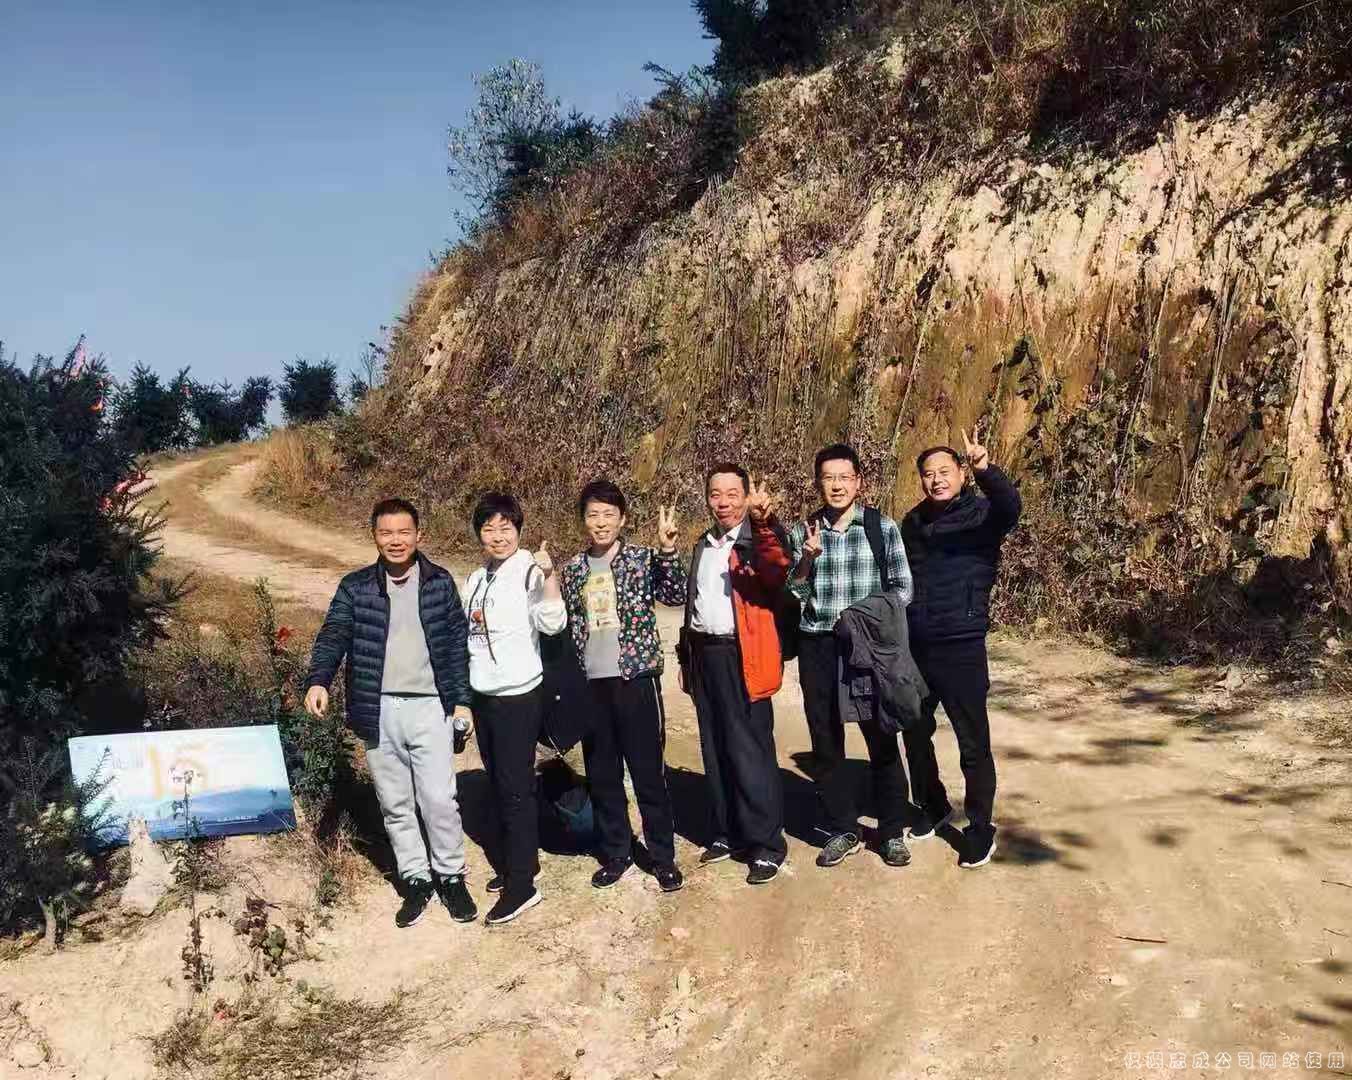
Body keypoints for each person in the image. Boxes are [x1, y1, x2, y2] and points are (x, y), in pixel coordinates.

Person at [304, 498, 476, 928]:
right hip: (377, 708)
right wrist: (319, 680)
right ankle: (415, 878)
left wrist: (462, 701)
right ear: (374, 537)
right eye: (386, 532)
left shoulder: (439, 583)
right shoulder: (356, 587)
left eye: (404, 532)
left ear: (419, 535)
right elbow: (334, 633)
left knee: (439, 799)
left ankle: (451, 876)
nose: (395, 540)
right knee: (395, 802)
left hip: (430, 707)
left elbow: (457, 644)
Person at [786, 443, 915, 870]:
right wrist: (807, 559)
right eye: (829, 478)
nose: (837, 485)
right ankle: (844, 827)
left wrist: (865, 619)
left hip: (866, 646)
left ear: (859, 481)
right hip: (818, 644)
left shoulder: (882, 527)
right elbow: (794, 594)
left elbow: (903, 588)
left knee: (881, 736)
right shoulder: (803, 531)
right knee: (825, 740)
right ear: (818, 483)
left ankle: (892, 831)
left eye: (844, 477)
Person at [900, 429, 1021, 869]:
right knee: (914, 730)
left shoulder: (983, 513)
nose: (936, 480)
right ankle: (933, 805)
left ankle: (980, 827)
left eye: (944, 471)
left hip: (962, 644)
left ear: (961, 474)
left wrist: (986, 469)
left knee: (972, 741)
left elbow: (1011, 507)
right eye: (928, 474)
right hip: (918, 644)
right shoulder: (912, 522)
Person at [559, 480, 688, 892]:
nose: (601, 523)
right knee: (603, 775)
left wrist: (667, 549)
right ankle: (616, 853)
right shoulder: (573, 570)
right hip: (591, 686)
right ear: (583, 521)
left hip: (635, 680)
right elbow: (564, 626)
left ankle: (662, 857)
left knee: (648, 774)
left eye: (609, 515)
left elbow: (676, 595)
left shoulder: (641, 559)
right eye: (593, 515)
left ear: (623, 519)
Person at [677, 464, 790, 885]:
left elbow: (776, 567)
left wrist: (763, 523)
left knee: (751, 750)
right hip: (704, 655)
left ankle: (767, 844)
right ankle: (730, 832)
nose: (723, 502)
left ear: (745, 496)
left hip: (743, 656)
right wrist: (687, 660)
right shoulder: (703, 544)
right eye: (715, 494)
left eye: (732, 493)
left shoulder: (756, 538)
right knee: (715, 746)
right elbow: (692, 605)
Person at [461, 491, 566, 924]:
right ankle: (520, 863)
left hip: (518, 696)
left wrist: (550, 576)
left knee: (516, 787)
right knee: (500, 783)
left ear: (518, 529)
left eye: (505, 527)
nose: (498, 536)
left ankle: (523, 885)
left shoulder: (529, 570)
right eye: (489, 528)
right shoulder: (475, 578)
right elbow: (470, 638)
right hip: (483, 695)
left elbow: (553, 622)